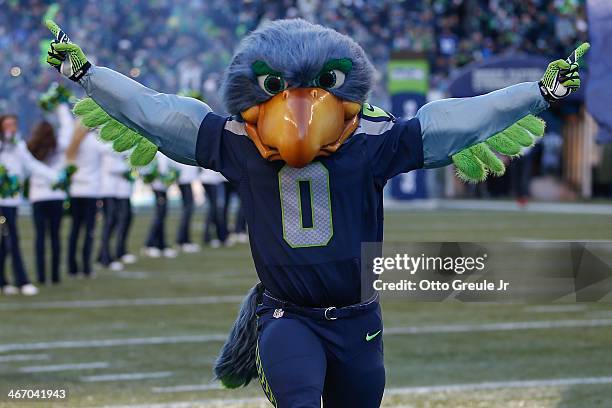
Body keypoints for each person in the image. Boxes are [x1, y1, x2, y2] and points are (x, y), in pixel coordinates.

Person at [45, 19, 586, 407]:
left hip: (357, 318)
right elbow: (157, 111)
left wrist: (535, 93)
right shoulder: (237, 140)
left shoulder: (372, 140)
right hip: (287, 316)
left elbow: (459, 121)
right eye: (279, 89)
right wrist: (89, 74)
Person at [0, 114, 59, 295]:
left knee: (4, 242)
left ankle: (2, 281)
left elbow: (32, 165)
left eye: (14, 124)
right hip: (1, 203)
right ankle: (22, 281)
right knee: (13, 240)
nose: (11, 128)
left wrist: (56, 177)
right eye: (7, 124)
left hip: (12, 201)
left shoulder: (18, 146)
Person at [27, 106, 71, 284]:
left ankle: (41, 276)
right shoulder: (59, 145)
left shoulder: (30, 148)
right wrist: (61, 108)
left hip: (38, 197)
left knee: (40, 237)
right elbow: (67, 128)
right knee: (55, 237)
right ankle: (55, 276)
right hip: (56, 197)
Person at [66, 123, 105, 278]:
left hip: (76, 192)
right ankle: (86, 268)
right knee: (89, 232)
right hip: (90, 192)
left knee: (74, 231)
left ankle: (72, 268)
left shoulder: (74, 141)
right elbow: (112, 150)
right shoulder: (95, 142)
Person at [97, 148, 135, 270]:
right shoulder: (105, 145)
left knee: (114, 222)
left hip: (115, 189)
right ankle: (105, 257)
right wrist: (130, 166)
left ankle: (107, 254)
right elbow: (111, 166)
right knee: (109, 222)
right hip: (107, 189)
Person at [142, 153, 177, 258]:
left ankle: (161, 245)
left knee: (162, 215)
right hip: (158, 186)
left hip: (163, 187)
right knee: (159, 216)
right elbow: (156, 169)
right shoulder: (156, 151)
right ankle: (149, 244)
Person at [173, 161, 200, 253]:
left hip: (186, 180)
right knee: (187, 211)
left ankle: (185, 240)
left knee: (188, 210)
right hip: (184, 180)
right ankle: (182, 241)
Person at [200, 168, 228, 248]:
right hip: (210, 180)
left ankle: (218, 236)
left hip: (209, 180)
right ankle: (207, 237)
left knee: (214, 209)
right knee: (213, 210)